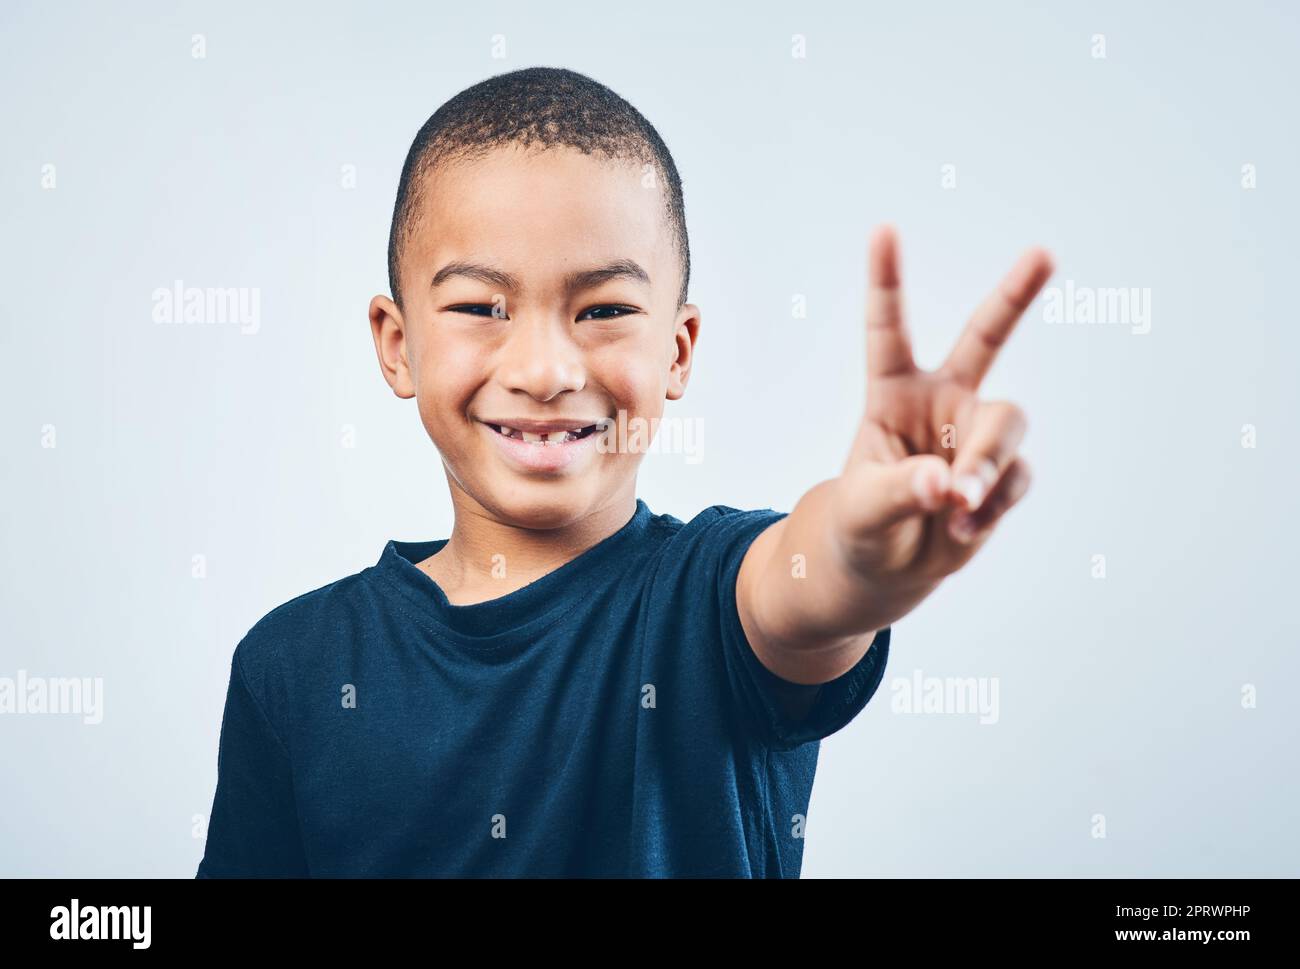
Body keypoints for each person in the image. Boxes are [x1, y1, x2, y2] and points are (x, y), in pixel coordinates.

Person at [196, 66, 1053, 878]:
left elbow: (805, 586)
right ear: (397, 343)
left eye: (603, 308)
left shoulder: (709, 602)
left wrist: (859, 559)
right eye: (479, 308)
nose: (543, 368)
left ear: (677, 352)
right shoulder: (292, 664)